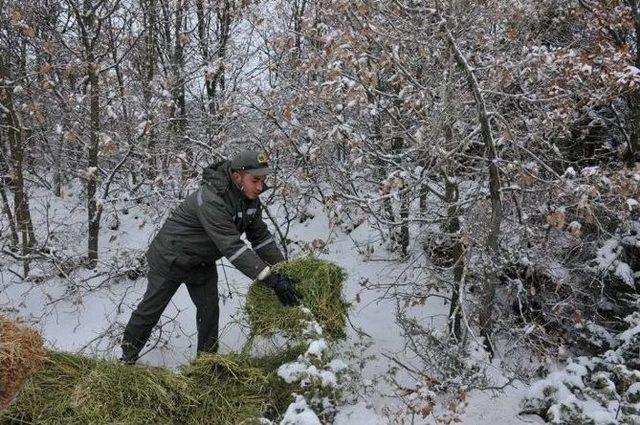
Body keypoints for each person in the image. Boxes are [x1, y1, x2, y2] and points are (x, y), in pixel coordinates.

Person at [120, 150, 299, 364]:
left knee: (210, 312)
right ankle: (127, 358)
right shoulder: (212, 199)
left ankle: (205, 364)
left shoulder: (250, 201)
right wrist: (272, 279)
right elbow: (232, 246)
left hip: (201, 262)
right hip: (171, 256)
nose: (260, 187)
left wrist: (284, 271)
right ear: (236, 176)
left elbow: (261, 238)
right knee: (150, 310)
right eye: (255, 180)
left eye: (263, 180)